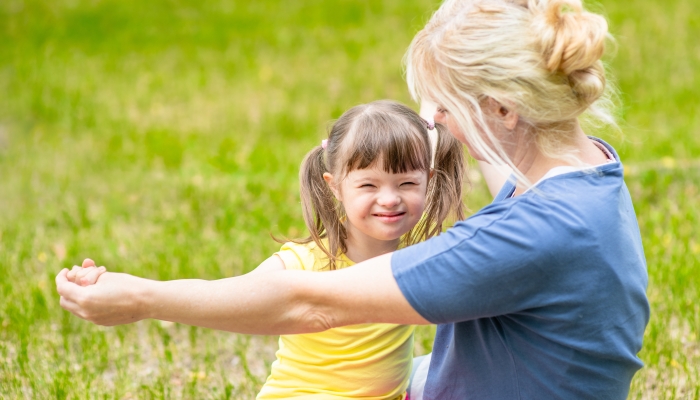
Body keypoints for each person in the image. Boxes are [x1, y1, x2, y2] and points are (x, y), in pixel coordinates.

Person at [56, 0, 650, 399]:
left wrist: (140, 298)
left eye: (444, 104)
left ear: (503, 109)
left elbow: (307, 305)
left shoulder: (525, 236)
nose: (432, 121)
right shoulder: (580, 169)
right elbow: (501, 154)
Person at [67, 100, 466, 399]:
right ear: (335, 186)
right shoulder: (304, 261)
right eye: (368, 185)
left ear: (428, 181)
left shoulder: (419, 257)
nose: (390, 199)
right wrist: (135, 294)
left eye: (406, 184)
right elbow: (234, 296)